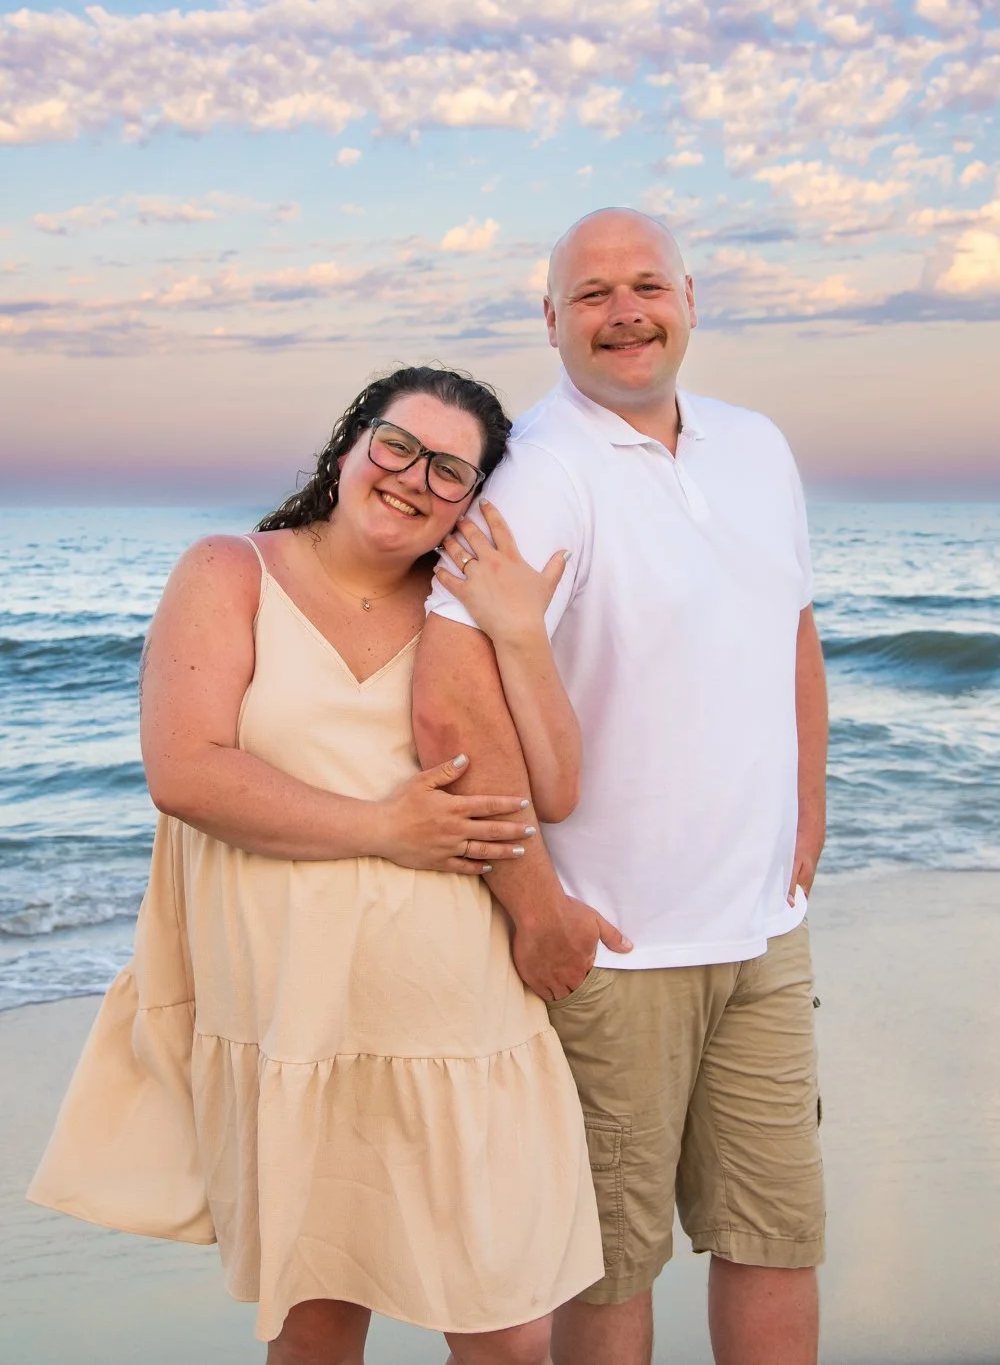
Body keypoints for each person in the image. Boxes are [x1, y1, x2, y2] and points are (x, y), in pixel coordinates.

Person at [28, 366, 607, 1365]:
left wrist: (519, 631)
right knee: (318, 1327)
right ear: (349, 445)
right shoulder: (228, 572)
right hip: (294, 1008)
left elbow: (554, 788)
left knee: (510, 1331)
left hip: (459, 1015)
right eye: (397, 446)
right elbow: (187, 773)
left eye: (451, 472)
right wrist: (384, 828)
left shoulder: (460, 606)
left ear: (474, 502)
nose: (414, 479)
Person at [413, 211, 829, 1365]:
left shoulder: (758, 446)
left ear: (691, 299)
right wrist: (535, 903)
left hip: (762, 931)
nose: (623, 311)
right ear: (549, 320)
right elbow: (447, 705)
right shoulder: (538, 475)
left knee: (776, 1235)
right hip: (613, 950)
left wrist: (809, 809)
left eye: (646, 285)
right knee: (610, 1263)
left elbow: (790, 631)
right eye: (590, 294)